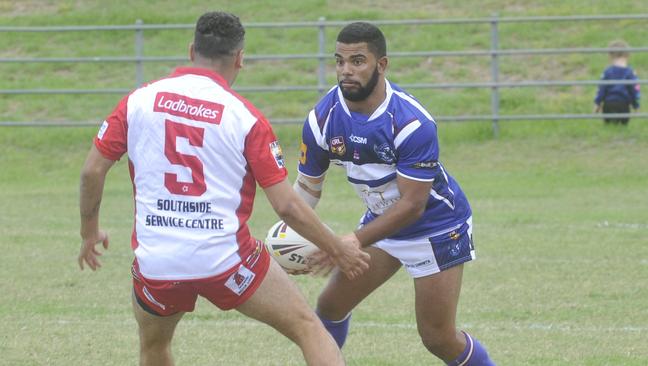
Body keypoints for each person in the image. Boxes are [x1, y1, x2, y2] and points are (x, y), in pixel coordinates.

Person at [77, 11, 370, 366]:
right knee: (308, 328)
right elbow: (287, 207)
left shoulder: (138, 101)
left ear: (190, 51)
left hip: (159, 261)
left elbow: (92, 171)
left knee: (153, 348)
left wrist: (89, 233)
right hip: (225, 259)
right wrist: (336, 248)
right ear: (240, 58)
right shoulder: (245, 118)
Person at [293, 22, 496, 365]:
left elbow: (413, 205)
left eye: (358, 61)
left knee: (438, 338)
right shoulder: (322, 119)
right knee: (330, 307)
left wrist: (349, 242)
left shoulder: (411, 122)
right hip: (381, 223)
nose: (346, 71)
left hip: (436, 228)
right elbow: (306, 190)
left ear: (381, 65)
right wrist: (287, 237)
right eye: (340, 61)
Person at [593, 40, 641, 125]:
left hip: (608, 104)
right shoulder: (630, 72)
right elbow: (634, 90)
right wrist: (635, 105)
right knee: (622, 126)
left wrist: (597, 103)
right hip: (624, 105)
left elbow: (601, 89)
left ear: (610, 56)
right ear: (627, 55)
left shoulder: (607, 71)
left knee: (609, 126)